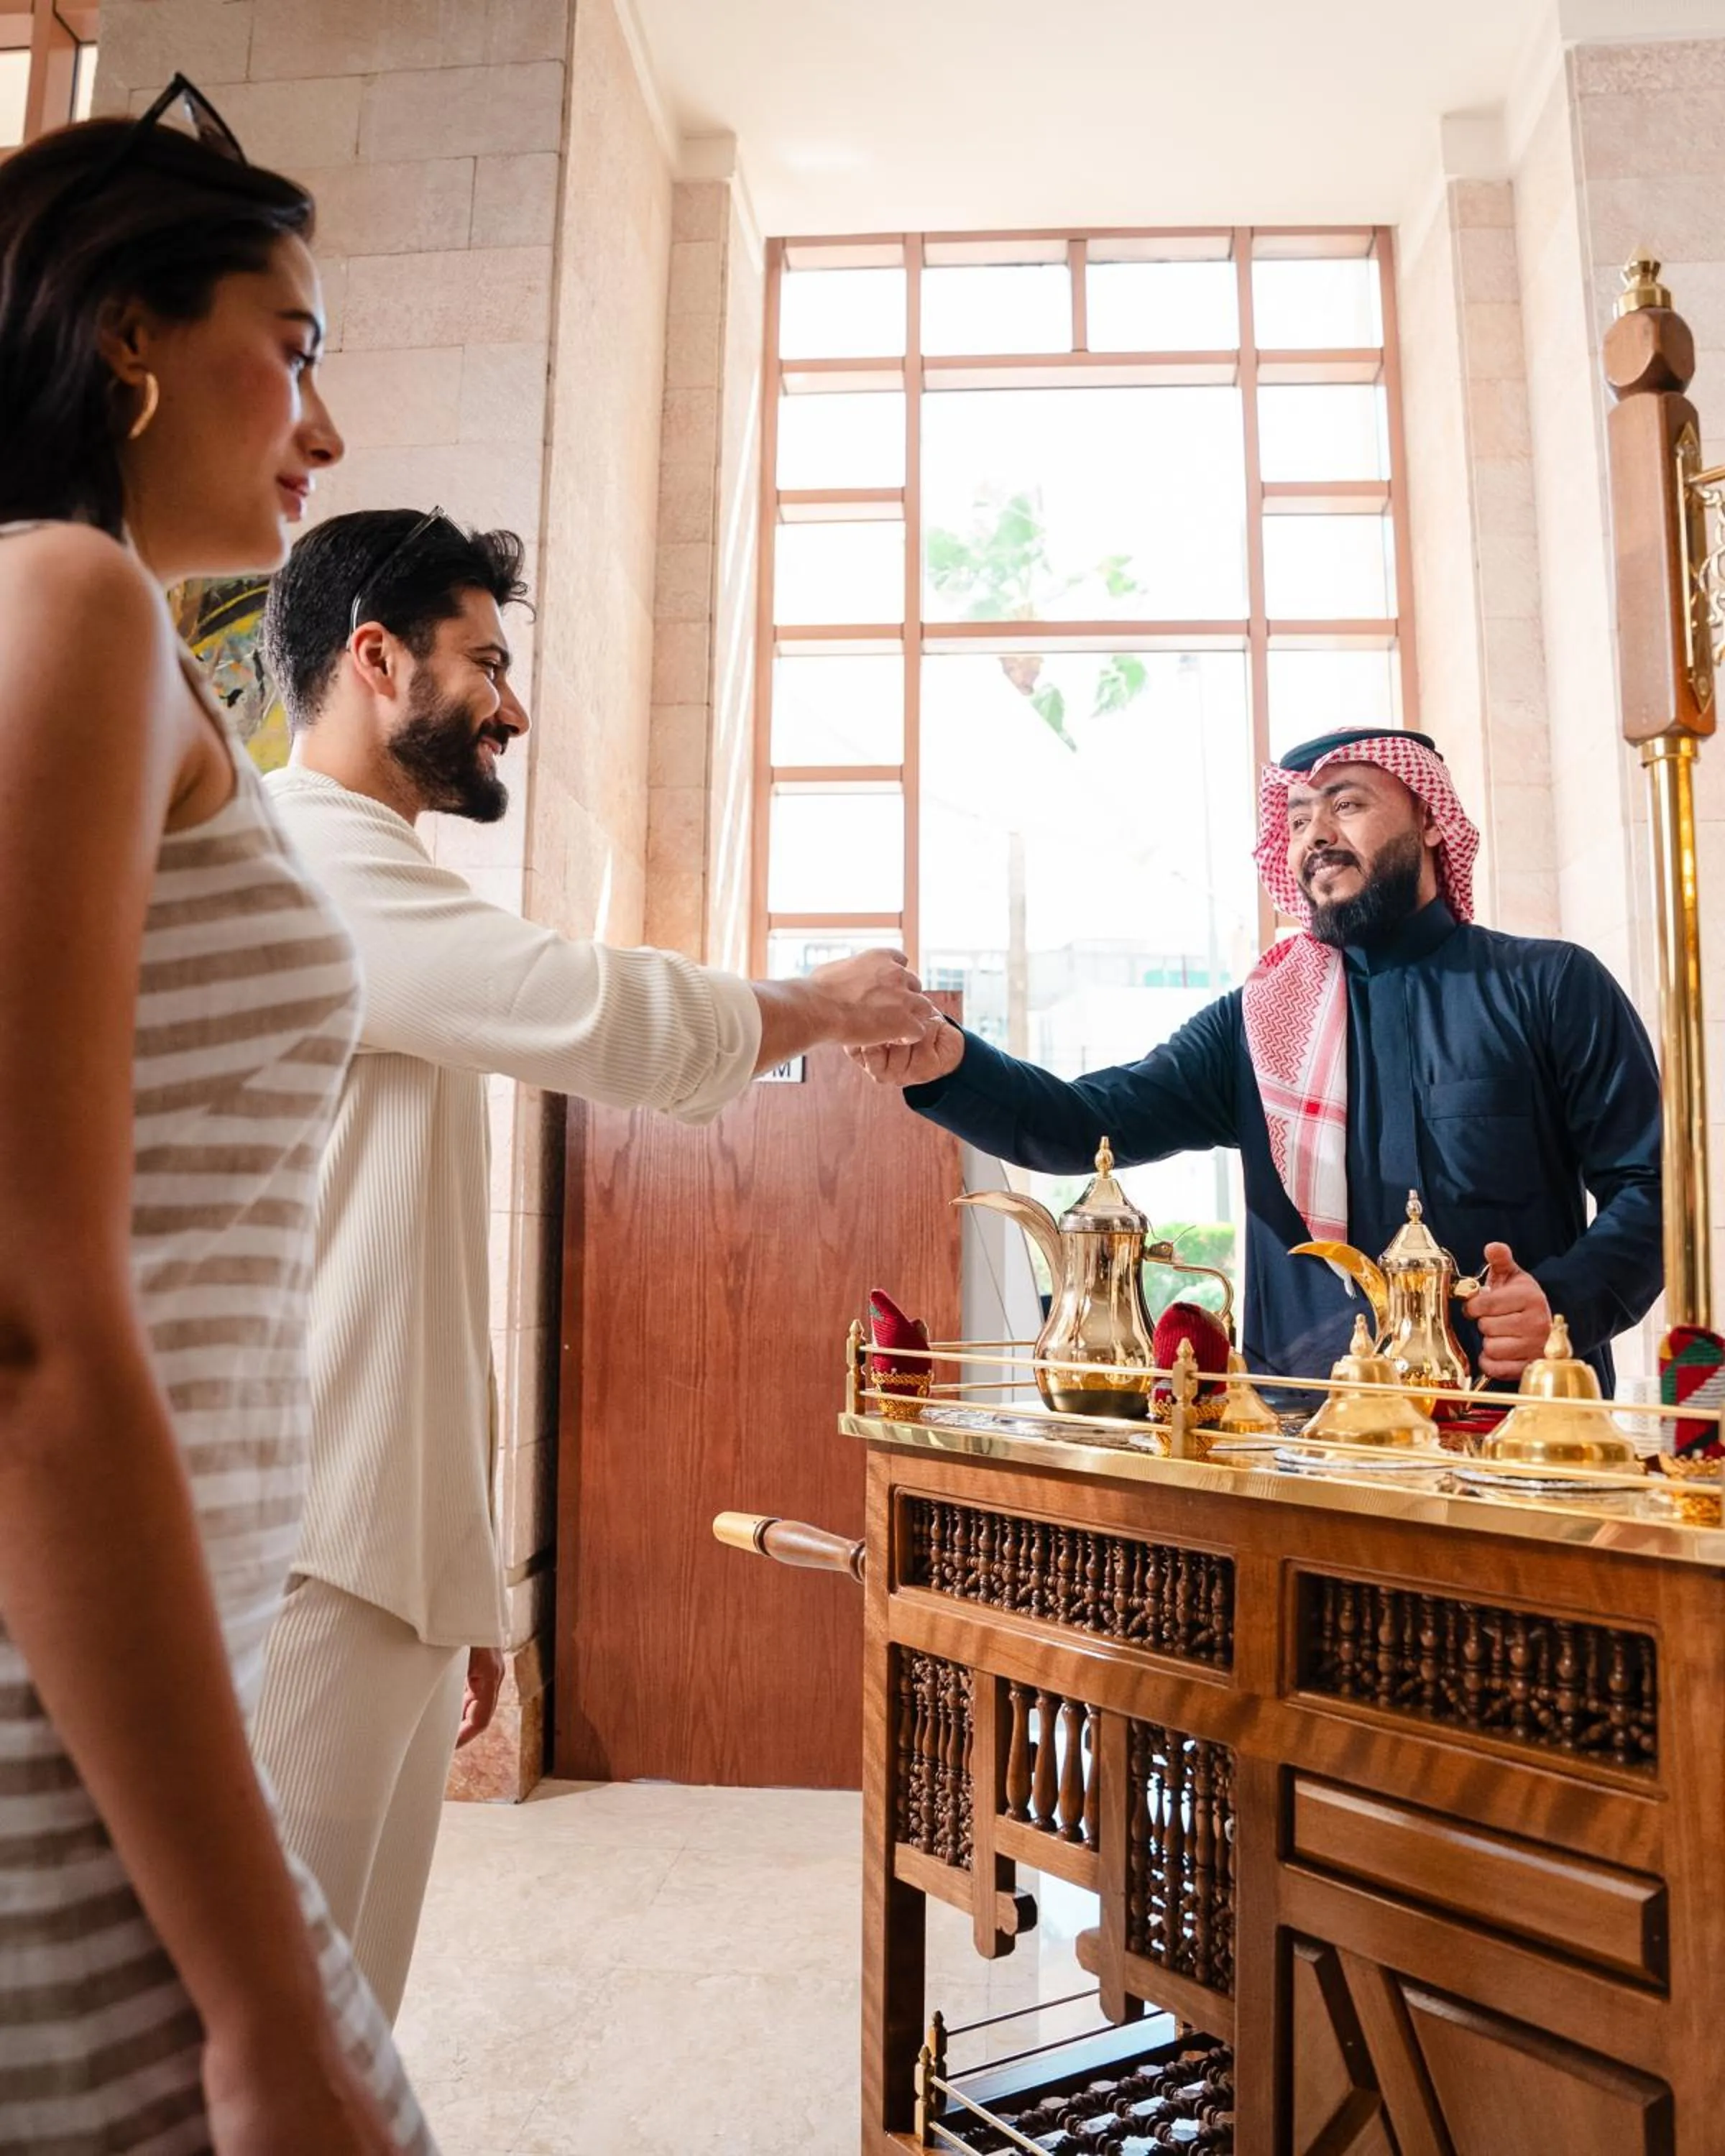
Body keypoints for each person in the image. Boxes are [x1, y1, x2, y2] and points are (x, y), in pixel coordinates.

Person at [252, 507, 937, 2022]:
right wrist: (823, 1007)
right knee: (260, 2032)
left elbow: (419, 1296)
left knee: (345, 2021)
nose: (511, 704)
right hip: (298, 1554)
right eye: (486, 662)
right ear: (377, 658)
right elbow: (590, 1010)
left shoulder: (379, 875)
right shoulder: (303, 856)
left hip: (376, 1549)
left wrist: (464, 1591)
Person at [0, 81, 432, 2156]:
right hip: (52, 1720)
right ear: (126, 334)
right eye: (299, 339)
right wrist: (260, 1993)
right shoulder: (63, 606)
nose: (324, 432)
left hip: (133, 1679)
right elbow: (22, 1315)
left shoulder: (115, 646)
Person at [855, 727, 1662, 1390]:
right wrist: (947, 1065)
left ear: (1432, 819)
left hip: (1519, 1425)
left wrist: (1560, 1301)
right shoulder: (1261, 1023)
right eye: (1303, 815)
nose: (1317, 833)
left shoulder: (1548, 986)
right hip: (1303, 1439)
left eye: (1347, 804)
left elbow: (1654, 1191)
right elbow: (1085, 1127)